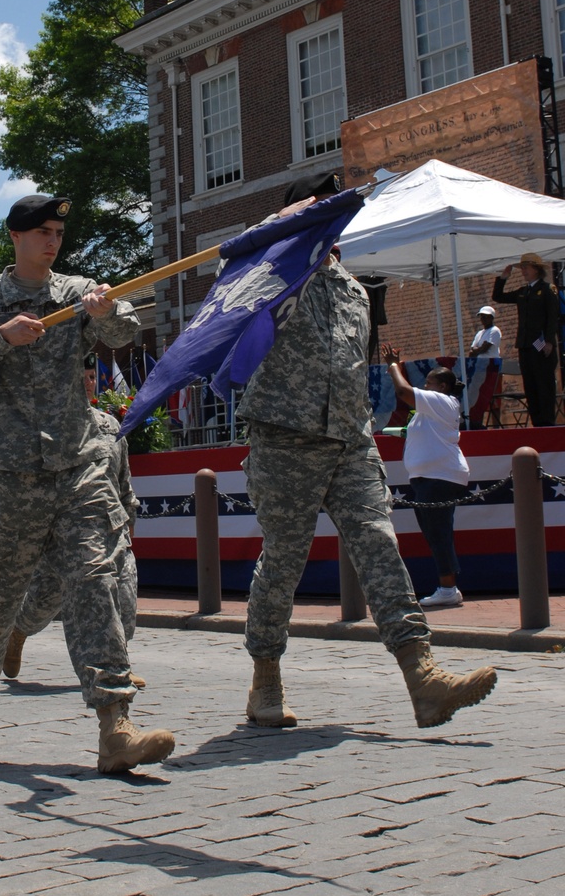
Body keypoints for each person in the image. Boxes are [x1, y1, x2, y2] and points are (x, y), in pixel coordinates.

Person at [237, 171, 497, 730]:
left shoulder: (355, 289)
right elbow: (227, 269)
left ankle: (422, 677)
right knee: (284, 558)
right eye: (321, 209)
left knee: (380, 545)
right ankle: (265, 680)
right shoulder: (271, 272)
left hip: (351, 442)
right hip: (285, 437)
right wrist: (281, 224)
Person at [0, 192, 175, 773]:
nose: (51, 241)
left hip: (77, 464)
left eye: (57, 233)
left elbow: (125, 335)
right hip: (9, 473)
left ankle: (115, 723)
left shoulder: (75, 293)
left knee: (94, 578)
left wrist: (105, 312)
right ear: (16, 237)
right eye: (41, 231)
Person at [2, 362, 143, 686]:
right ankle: (18, 632)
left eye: (92, 375)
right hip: (65, 533)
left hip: (111, 527)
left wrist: (129, 518)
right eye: (80, 375)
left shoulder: (110, 426)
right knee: (43, 601)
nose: (88, 381)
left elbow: (123, 482)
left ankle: (116, 666)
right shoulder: (49, 427)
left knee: (124, 598)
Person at [383, 347, 470, 610]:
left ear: (442, 386)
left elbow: (402, 392)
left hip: (439, 476)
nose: (425, 385)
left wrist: (393, 366)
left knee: (438, 532)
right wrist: (395, 431)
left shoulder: (442, 401)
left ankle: (448, 589)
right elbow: (419, 432)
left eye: (430, 381)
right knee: (434, 533)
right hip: (427, 476)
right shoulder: (431, 409)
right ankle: (447, 586)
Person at [492, 254, 559, 426]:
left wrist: (550, 341)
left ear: (536, 269)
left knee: (544, 385)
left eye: (526, 267)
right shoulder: (523, 291)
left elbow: (553, 317)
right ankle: (537, 424)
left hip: (542, 346)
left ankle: (547, 424)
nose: (523, 271)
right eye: (522, 268)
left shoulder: (547, 289)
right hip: (525, 345)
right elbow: (498, 296)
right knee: (530, 386)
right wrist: (503, 278)